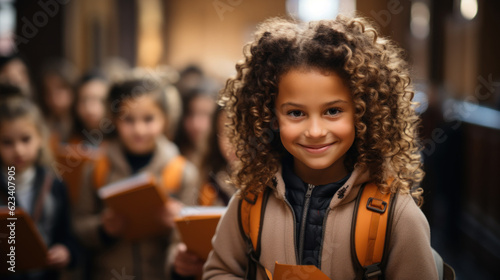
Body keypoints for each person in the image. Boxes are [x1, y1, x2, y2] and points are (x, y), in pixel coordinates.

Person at [203, 16, 438, 279]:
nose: (315, 132)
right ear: (270, 116)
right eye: (295, 113)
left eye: (333, 111)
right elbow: (218, 271)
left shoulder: (395, 213)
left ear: (364, 112)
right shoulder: (250, 202)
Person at [72, 77, 199, 280]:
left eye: (148, 119)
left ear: (165, 119)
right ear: (114, 119)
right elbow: (78, 226)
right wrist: (102, 228)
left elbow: (186, 243)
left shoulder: (183, 171)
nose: (139, 130)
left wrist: (178, 223)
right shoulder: (97, 168)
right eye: (128, 119)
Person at [0, 85, 77, 280]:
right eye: (7, 142)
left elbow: (67, 235)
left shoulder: (55, 184)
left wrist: (65, 251)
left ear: (40, 139)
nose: (18, 150)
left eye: (25, 140)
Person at [169, 106, 237, 280]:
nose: (236, 141)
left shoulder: (277, 187)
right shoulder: (205, 181)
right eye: (227, 131)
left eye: (247, 130)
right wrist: (179, 262)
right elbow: (178, 242)